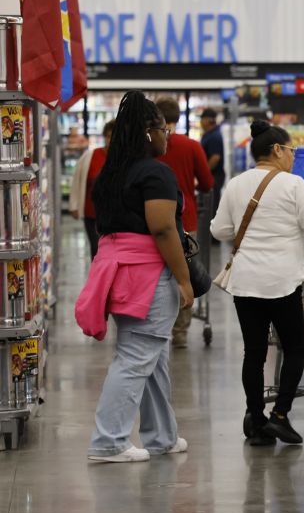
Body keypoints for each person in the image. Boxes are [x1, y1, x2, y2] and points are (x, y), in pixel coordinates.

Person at [211, 120, 304, 446]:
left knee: (253, 354)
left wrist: (248, 235)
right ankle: (280, 416)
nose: (294, 157)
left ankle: (256, 423)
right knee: (294, 350)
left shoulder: (236, 184)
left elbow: (219, 230)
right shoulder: (294, 184)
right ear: (277, 150)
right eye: (292, 150)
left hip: (245, 282)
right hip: (283, 281)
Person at [75, 91, 190, 463]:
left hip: (116, 271)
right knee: (136, 356)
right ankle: (108, 441)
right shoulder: (155, 173)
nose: (167, 135)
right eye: (162, 129)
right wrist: (184, 279)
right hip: (147, 274)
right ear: (147, 132)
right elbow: (162, 229)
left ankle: (162, 437)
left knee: (153, 357)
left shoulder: (110, 172)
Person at [154, 97, 214, 349]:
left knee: (156, 273)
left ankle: (156, 326)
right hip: (185, 221)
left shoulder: (149, 146)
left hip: (151, 220)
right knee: (183, 273)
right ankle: (180, 332)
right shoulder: (191, 146)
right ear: (178, 117)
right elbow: (208, 183)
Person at [68, 120, 115, 258]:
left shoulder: (125, 159)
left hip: (116, 216)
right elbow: (77, 181)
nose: (111, 140)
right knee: (96, 249)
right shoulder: (90, 156)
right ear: (104, 137)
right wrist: (74, 205)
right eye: (108, 136)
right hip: (92, 214)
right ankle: (98, 277)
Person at [199, 108, 225, 217]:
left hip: (214, 176)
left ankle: (210, 232)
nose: (200, 122)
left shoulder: (214, 136)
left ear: (208, 120)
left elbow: (215, 158)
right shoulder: (209, 134)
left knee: (211, 207)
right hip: (212, 176)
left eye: (202, 119)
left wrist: (204, 173)